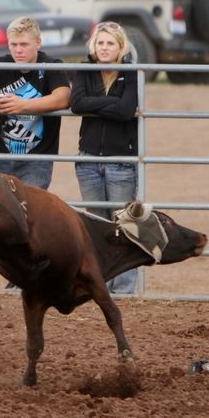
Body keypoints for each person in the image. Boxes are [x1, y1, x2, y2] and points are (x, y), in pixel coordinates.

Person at [70, 21, 139, 294]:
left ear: (120, 47)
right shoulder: (85, 70)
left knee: (123, 224)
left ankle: (122, 289)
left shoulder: (131, 72)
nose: (104, 48)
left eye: (110, 43)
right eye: (100, 43)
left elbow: (125, 110)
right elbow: (77, 104)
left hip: (121, 161)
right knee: (96, 227)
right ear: (93, 46)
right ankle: (100, 285)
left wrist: (95, 105)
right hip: (88, 161)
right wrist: (110, 104)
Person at [0, 16, 71, 190]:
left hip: (38, 158)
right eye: (13, 45)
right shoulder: (1, 64)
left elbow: (64, 97)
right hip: (3, 154)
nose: (18, 50)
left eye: (24, 44)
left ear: (38, 43)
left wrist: (23, 105)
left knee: (29, 209)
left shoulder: (52, 65)